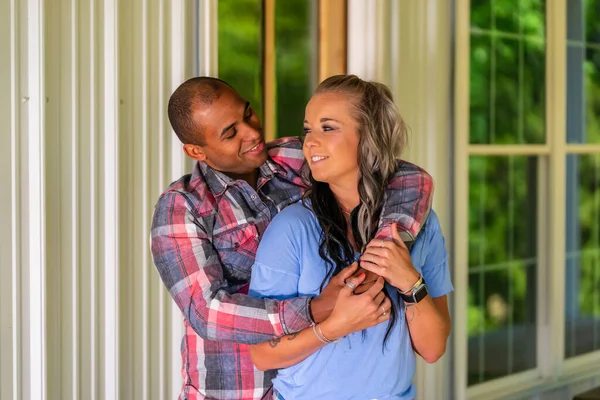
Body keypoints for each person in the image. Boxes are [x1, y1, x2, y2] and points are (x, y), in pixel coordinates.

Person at [150, 76, 434, 400]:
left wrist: (382, 251)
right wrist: (315, 310)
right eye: (231, 133)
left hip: (308, 384)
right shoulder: (182, 207)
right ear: (195, 150)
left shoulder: (294, 157)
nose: (253, 133)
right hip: (234, 390)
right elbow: (208, 312)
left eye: (248, 114)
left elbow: (407, 177)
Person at [248, 75, 453, 400]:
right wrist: (334, 327)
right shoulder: (291, 229)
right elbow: (262, 355)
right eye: (308, 129)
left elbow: (432, 349)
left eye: (327, 128)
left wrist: (408, 280)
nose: (310, 142)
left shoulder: (421, 226)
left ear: (369, 137)